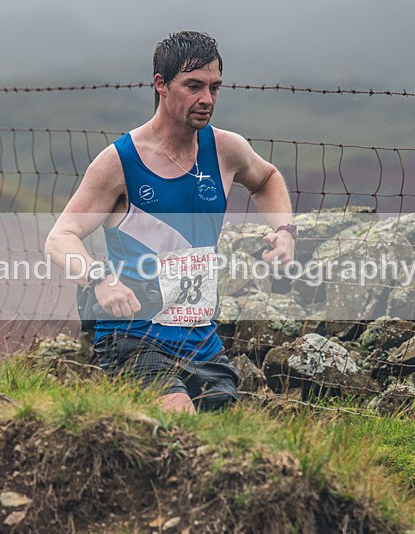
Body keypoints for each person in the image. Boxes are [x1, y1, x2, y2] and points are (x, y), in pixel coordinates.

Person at [45, 30, 295, 414]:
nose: (206, 99)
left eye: (214, 88)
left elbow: (267, 178)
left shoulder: (226, 149)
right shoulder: (121, 161)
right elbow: (60, 237)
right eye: (193, 86)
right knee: (178, 412)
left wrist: (284, 232)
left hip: (198, 335)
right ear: (160, 85)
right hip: (132, 333)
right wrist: (99, 278)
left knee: (216, 423)